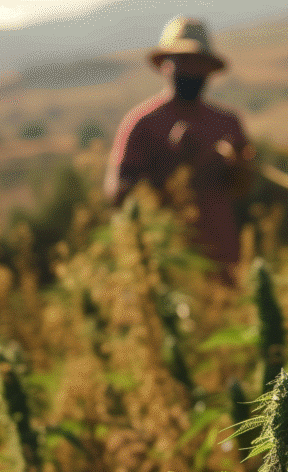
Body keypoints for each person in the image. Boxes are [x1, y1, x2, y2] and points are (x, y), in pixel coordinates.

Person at [105, 16, 256, 284]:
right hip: (166, 265)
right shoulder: (141, 124)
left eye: (198, 62)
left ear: (209, 70)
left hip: (223, 263)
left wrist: (240, 167)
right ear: (165, 65)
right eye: (183, 61)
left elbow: (242, 188)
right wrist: (174, 167)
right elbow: (117, 194)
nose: (191, 70)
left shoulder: (227, 123)